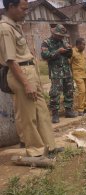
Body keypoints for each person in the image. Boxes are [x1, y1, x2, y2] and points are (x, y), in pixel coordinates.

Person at [0, 0, 63, 157]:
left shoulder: (15, 26)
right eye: (23, 8)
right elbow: (11, 60)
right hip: (20, 74)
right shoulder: (5, 29)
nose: (26, 11)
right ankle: (36, 151)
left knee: (41, 111)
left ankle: (50, 147)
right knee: (28, 116)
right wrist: (27, 83)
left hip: (29, 71)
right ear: (11, 7)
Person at [41, 24, 77, 123]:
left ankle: (68, 110)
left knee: (69, 90)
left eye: (62, 36)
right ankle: (55, 114)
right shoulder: (46, 42)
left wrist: (69, 50)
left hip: (66, 70)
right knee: (55, 93)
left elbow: (69, 55)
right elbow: (44, 55)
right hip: (55, 72)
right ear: (54, 34)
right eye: (60, 35)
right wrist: (58, 51)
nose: (61, 37)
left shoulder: (64, 42)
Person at [70, 38, 86, 116]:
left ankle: (85, 107)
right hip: (78, 75)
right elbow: (69, 63)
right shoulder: (72, 52)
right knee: (82, 91)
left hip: (85, 74)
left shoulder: (82, 52)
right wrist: (71, 74)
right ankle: (80, 109)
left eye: (84, 44)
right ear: (78, 45)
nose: (84, 46)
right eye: (83, 44)